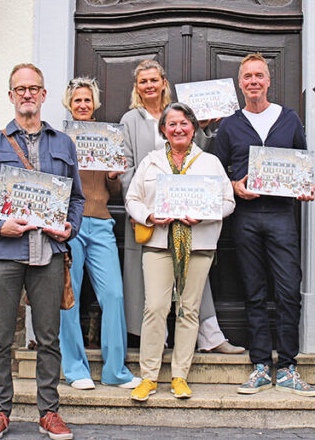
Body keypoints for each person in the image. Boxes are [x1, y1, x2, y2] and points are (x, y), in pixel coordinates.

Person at [0, 64, 85, 440]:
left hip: (47, 253)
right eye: (20, 89)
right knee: (0, 337)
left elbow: (76, 199)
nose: (27, 94)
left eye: (34, 88)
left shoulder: (63, 143)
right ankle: (0, 411)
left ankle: (49, 412)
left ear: (44, 95)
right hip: (3, 252)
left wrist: (70, 227)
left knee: (48, 337)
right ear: (11, 96)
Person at [119, 59, 243, 354]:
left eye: (154, 80)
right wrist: (141, 213)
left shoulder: (182, 113)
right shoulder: (130, 119)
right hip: (150, 215)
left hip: (188, 211)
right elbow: (126, 168)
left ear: (164, 82)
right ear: (137, 87)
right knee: (150, 284)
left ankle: (210, 336)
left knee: (194, 277)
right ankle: (155, 340)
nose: (149, 85)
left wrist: (206, 128)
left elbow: (198, 154)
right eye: (143, 81)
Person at [213, 54, 315, 396]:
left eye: (259, 75)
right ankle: (260, 364)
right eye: (248, 77)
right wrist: (233, 185)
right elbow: (220, 172)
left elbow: (302, 162)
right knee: (254, 291)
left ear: (269, 80)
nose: (254, 81)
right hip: (244, 217)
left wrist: (305, 186)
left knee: (289, 289)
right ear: (240, 83)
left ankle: (287, 366)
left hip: (282, 216)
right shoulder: (230, 125)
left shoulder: (289, 119)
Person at [124, 102, 236, 402]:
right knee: (155, 308)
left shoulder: (210, 162)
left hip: (198, 245)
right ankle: (148, 376)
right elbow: (132, 199)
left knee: (189, 310)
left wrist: (205, 214)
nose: (178, 129)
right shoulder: (150, 162)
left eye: (184, 123)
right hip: (159, 243)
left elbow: (229, 202)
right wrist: (148, 216)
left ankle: (179, 376)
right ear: (164, 130)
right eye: (172, 124)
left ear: (194, 127)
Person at [58, 77, 140, 391]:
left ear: (95, 104)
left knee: (114, 295)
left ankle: (115, 370)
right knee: (70, 297)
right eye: (77, 100)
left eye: (87, 100)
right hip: (70, 224)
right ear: (69, 103)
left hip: (102, 221)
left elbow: (111, 189)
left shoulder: (108, 136)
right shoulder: (60, 137)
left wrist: (112, 176)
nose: (82, 105)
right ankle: (75, 368)